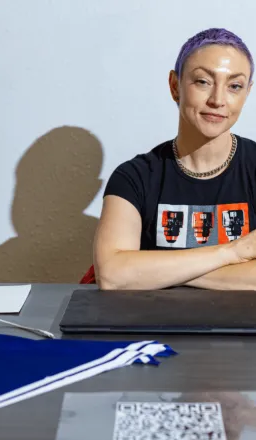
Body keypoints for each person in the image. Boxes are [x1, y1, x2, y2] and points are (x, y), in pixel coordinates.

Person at [82, 27, 256, 290]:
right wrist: (231, 254)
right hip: (153, 329)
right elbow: (113, 275)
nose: (218, 100)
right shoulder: (134, 177)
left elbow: (126, 275)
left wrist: (156, 272)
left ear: (247, 93)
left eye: (234, 86)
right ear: (175, 86)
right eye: (203, 81)